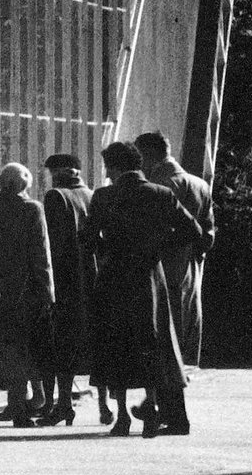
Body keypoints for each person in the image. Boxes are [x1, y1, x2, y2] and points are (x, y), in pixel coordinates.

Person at [85, 142, 202, 438]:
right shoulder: (161, 194)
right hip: (150, 276)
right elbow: (194, 231)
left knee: (116, 343)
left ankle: (122, 416)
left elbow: (86, 237)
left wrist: (106, 249)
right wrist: (159, 245)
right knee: (151, 341)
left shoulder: (104, 196)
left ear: (113, 167)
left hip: (114, 276)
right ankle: (150, 408)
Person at [0, 165, 57, 427]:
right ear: (24, 185)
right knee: (23, 348)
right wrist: (47, 292)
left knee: (0, 346)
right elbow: (41, 253)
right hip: (24, 290)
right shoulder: (32, 209)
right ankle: (19, 408)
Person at [134, 131, 216, 367]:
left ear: (147, 156)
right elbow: (208, 233)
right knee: (190, 314)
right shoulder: (200, 184)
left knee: (165, 322)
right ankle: (189, 365)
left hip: (164, 262)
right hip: (191, 262)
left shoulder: (161, 186)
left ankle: (169, 380)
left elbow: (153, 227)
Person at [38, 156, 93, 426]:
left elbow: (52, 244)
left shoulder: (55, 197)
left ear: (56, 174)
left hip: (64, 280)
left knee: (60, 343)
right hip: (90, 279)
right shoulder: (91, 195)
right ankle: (105, 406)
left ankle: (62, 403)